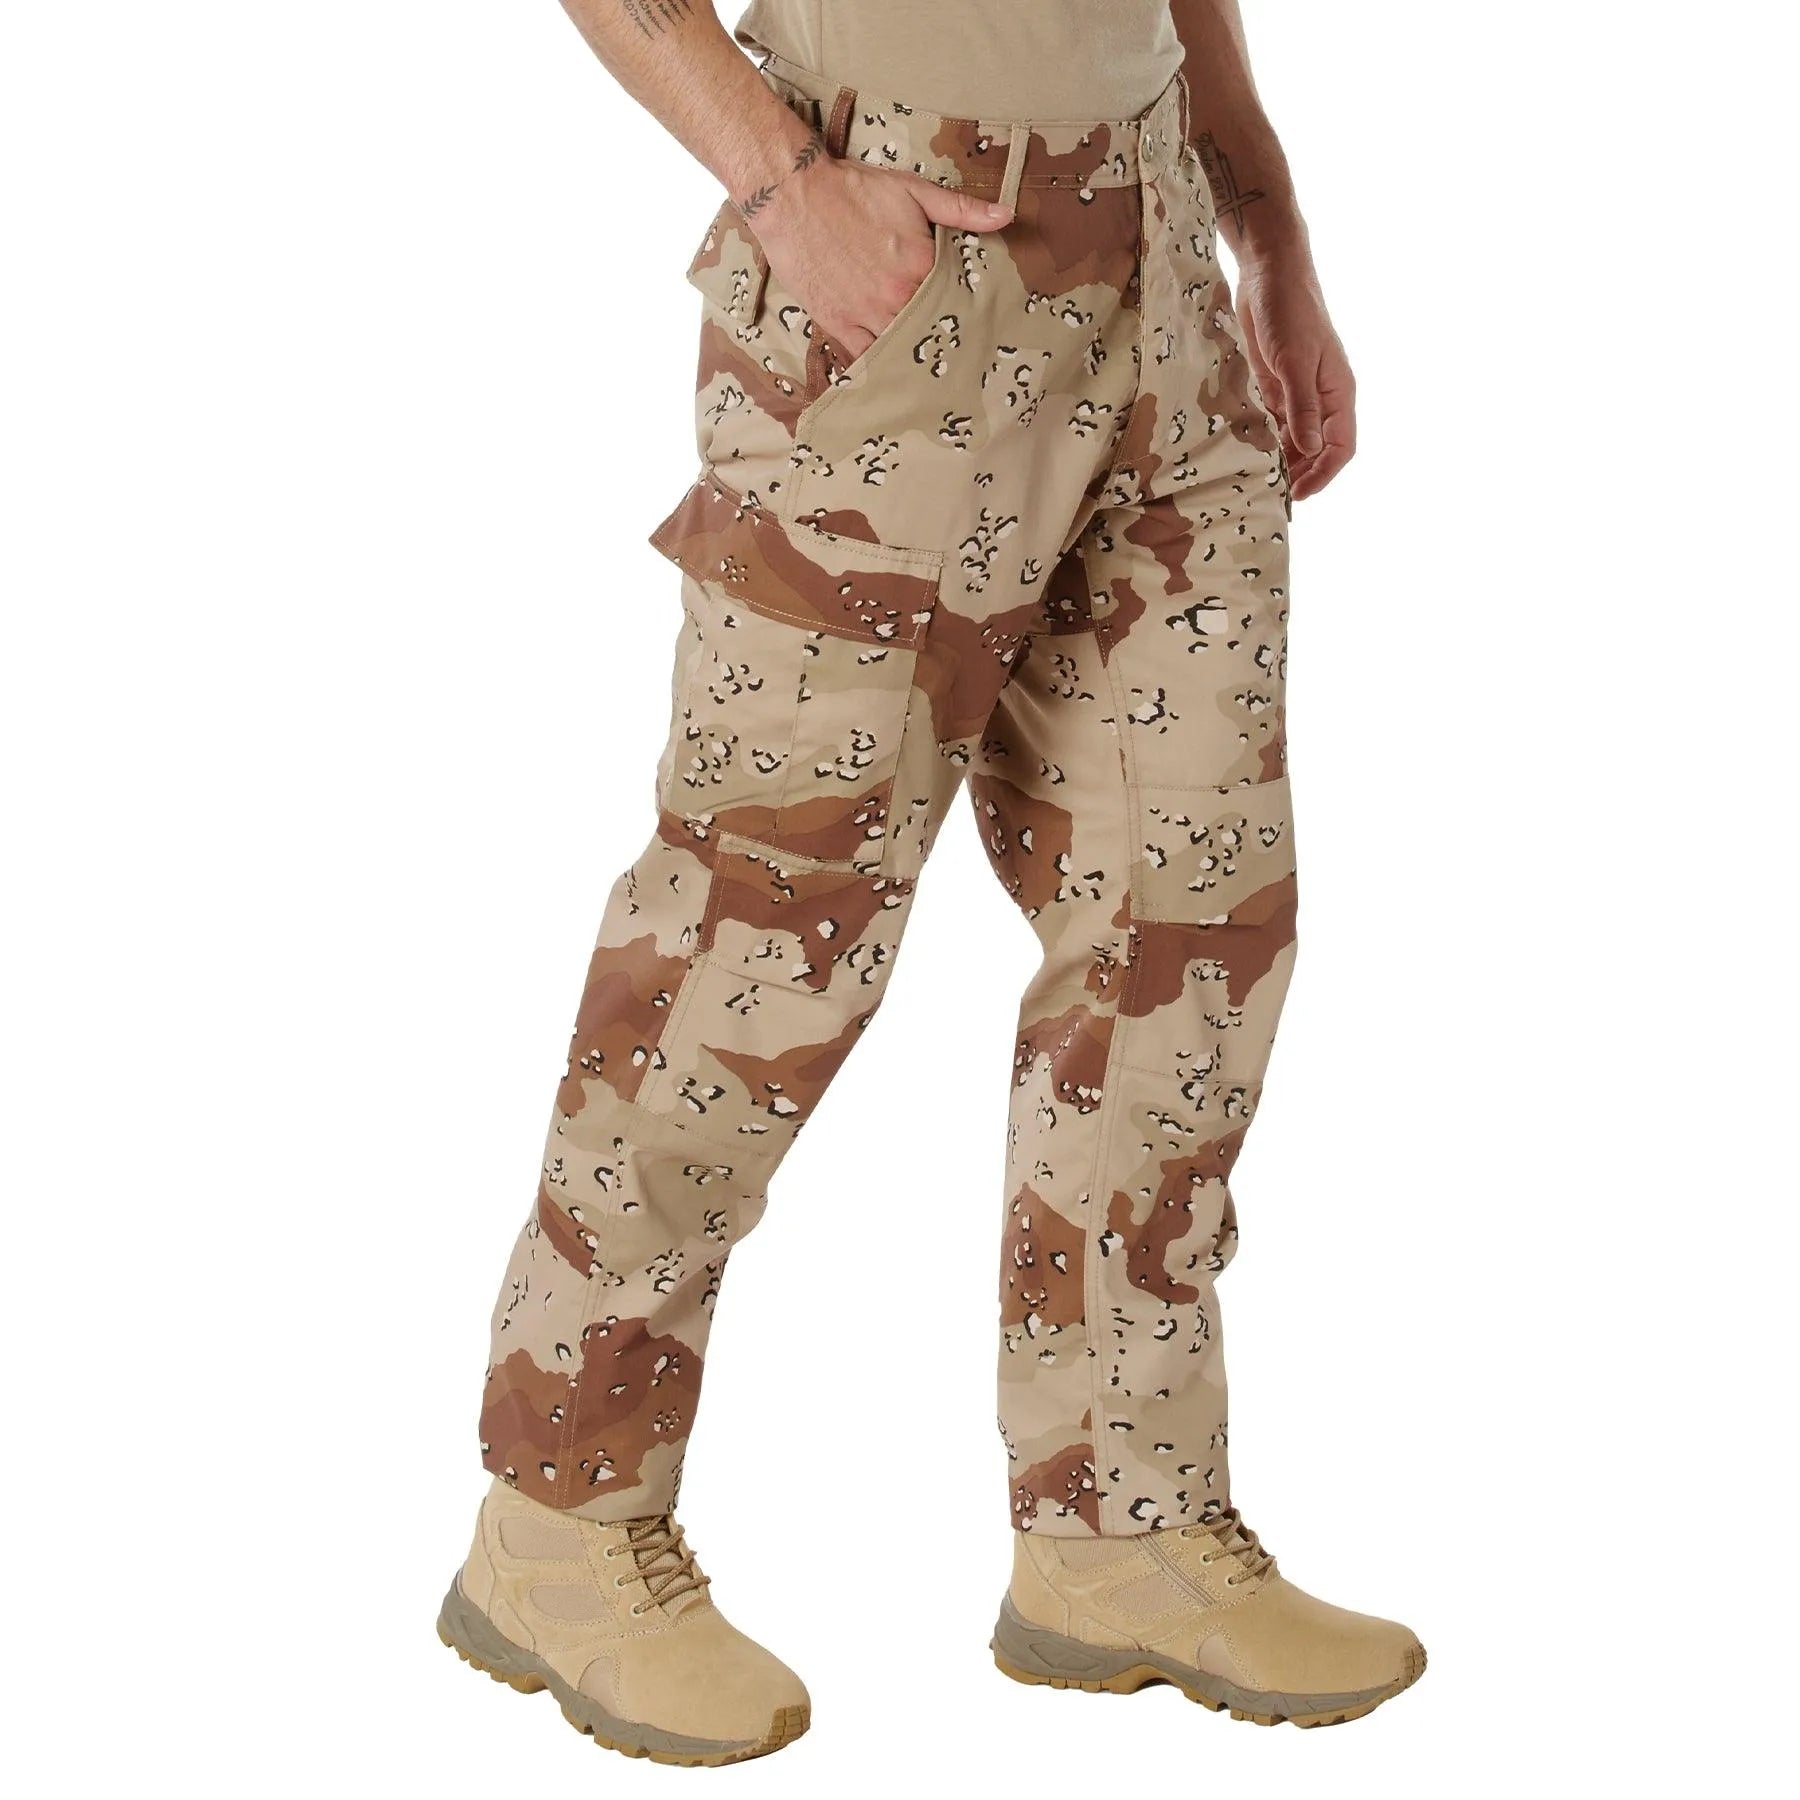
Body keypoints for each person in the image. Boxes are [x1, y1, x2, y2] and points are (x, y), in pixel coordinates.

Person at [436, 0, 1422, 1764]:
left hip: (1158, 260)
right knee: (761, 934)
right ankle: (561, 1526)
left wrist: (1266, 226)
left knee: (1186, 925)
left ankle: (1123, 1528)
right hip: (901, 262)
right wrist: (781, 182)